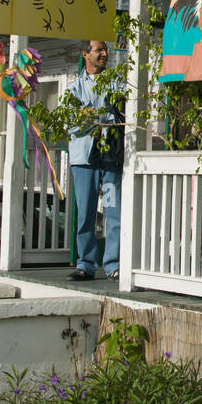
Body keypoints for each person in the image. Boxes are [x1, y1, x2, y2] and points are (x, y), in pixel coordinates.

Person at [67, 39, 125, 281]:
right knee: (86, 213)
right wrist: (96, 114)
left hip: (110, 156)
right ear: (85, 54)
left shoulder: (118, 83)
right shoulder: (74, 87)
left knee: (113, 211)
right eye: (99, 50)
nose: (104, 53)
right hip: (84, 159)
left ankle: (113, 264)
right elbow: (71, 118)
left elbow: (123, 110)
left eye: (105, 50)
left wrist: (92, 113)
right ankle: (86, 263)